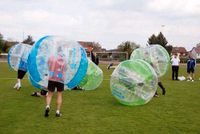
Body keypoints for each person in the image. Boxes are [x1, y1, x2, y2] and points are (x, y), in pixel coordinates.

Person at [44, 49, 67, 117]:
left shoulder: (51, 57)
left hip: (51, 78)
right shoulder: (64, 59)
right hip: (61, 79)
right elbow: (66, 69)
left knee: (50, 94)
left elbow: (48, 66)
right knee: (59, 95)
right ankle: (57, 112)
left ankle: (48, 106)